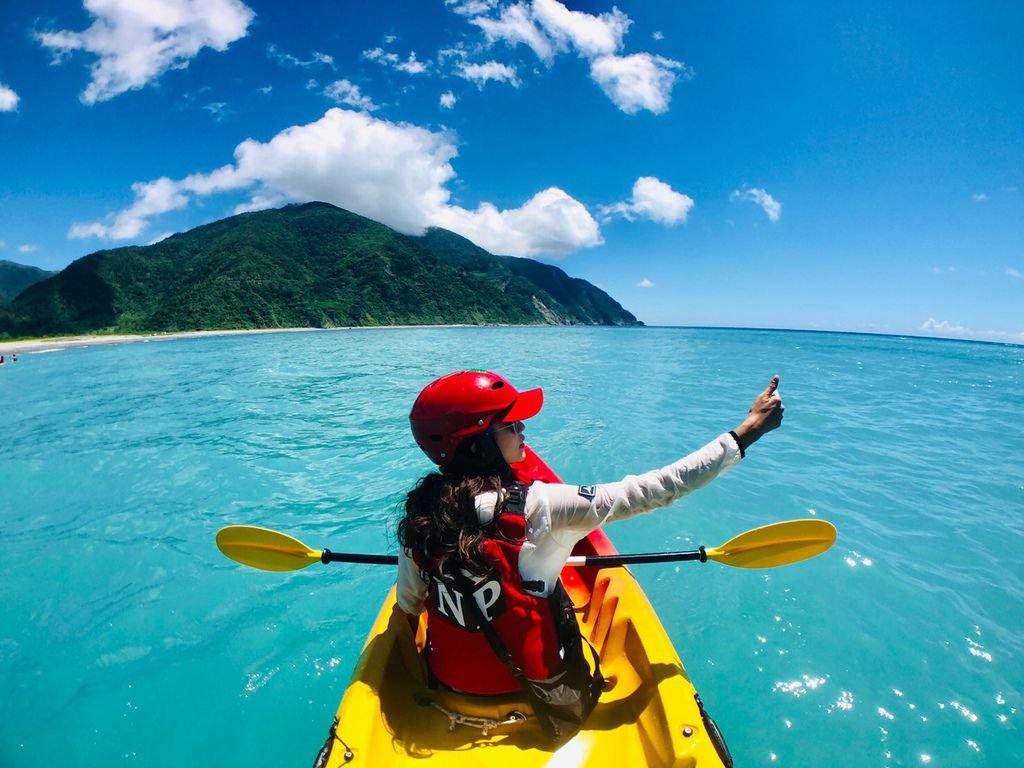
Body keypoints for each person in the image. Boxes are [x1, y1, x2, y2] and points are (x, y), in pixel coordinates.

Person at [397, 370, 784, 738]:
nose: (523, 430)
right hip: (538, 692)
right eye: (511, 425)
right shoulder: (543, 505)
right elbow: (657, 488)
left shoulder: (421, 516)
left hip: (451, 688)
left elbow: (410, 605)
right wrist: (747, 432)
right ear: (478, 443)